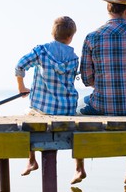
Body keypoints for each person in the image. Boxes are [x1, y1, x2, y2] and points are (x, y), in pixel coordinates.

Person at [74, 0, 126, 185]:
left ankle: (79, 168)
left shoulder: (92, 37)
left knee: (77, 107)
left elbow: (87, 79)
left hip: (102, 104)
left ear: (109, 8)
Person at [15, 16, 79, 176]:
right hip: (67, 109)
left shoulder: (41, 51)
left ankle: (31, 160)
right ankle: (80, 167)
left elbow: (20, 65)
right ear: (70, 37)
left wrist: (21, 87)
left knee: (27, 118)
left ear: (52, 33)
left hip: (43, 108)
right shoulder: (74, 58)